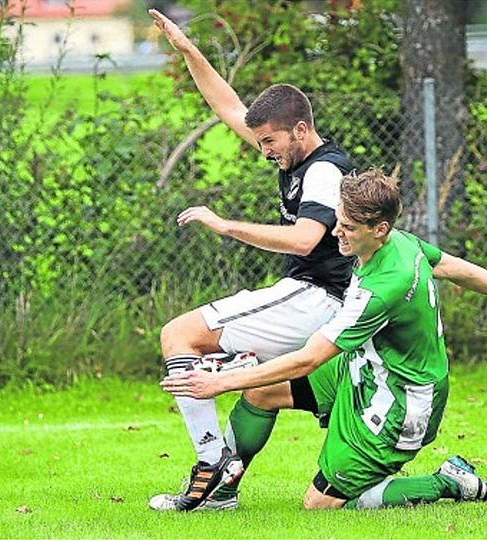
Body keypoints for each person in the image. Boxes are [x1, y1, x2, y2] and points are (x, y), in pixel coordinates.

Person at [160, 168, 487, 510]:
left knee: (320, 504)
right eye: (338, 220)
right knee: (263, 392)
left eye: (348, 228)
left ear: (378, 229)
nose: (336, 233)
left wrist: (218, 382)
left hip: (401, 402)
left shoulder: (381, 289)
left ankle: (448, 482)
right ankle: (221, 492)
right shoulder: (401, 243)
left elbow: (309, 359)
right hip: (365, 369)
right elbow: (455, 267)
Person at [147, 9, 355, 512]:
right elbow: (228, 105)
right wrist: (188, 49)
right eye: (259, 140)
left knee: (178, 336)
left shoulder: (324, 171)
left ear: (300, 130)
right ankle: (220, 492)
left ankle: (210, 463)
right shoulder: (293, 152)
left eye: (269, 142)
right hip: (319, 300)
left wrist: (226, 225)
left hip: (317, 299)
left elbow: (307, 240)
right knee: (261, 394)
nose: (263, 150)